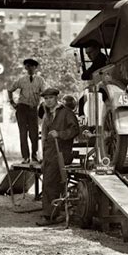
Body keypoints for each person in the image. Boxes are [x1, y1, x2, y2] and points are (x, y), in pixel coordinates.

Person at [36, 88, 79, 226]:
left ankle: (49, 216)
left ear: (56, 98)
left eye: (50, 98)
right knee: (51, 183)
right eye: (46, 98)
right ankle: (56, 213)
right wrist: (42, 155)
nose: (48, 101)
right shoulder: (47, 116)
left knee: (49, 182)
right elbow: (44, 137)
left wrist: (60, 134)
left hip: (62, 153)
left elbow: (75, 130)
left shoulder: (66, 113)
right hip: (49, 153)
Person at [8, 58, 46, 164]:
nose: (29, 68)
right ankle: (25, 157)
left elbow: (45, 92)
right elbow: (10, 89)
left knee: (34, 134)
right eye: (27, 66)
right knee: (23, 133)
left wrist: (44, 103)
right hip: (22, 109)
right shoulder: (21, 80)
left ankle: (34, 156)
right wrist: (12, 102)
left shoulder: (40, 80)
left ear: (35, 67)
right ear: (25, 67)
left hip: (33, 109)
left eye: (31, 66)